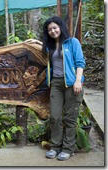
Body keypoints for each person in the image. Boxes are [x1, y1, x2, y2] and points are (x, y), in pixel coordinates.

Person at [42, 16, 85, 161]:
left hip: (73, 84)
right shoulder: (50, 46)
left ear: (60, 27)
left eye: (55, 28)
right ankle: (55, 146)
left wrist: (78, 81)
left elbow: (80, 62)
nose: (53, 31)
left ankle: (68, 149)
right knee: (55, 116)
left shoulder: (72, 42)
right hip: (56, 84)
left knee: (70, 117)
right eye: (49, 30)